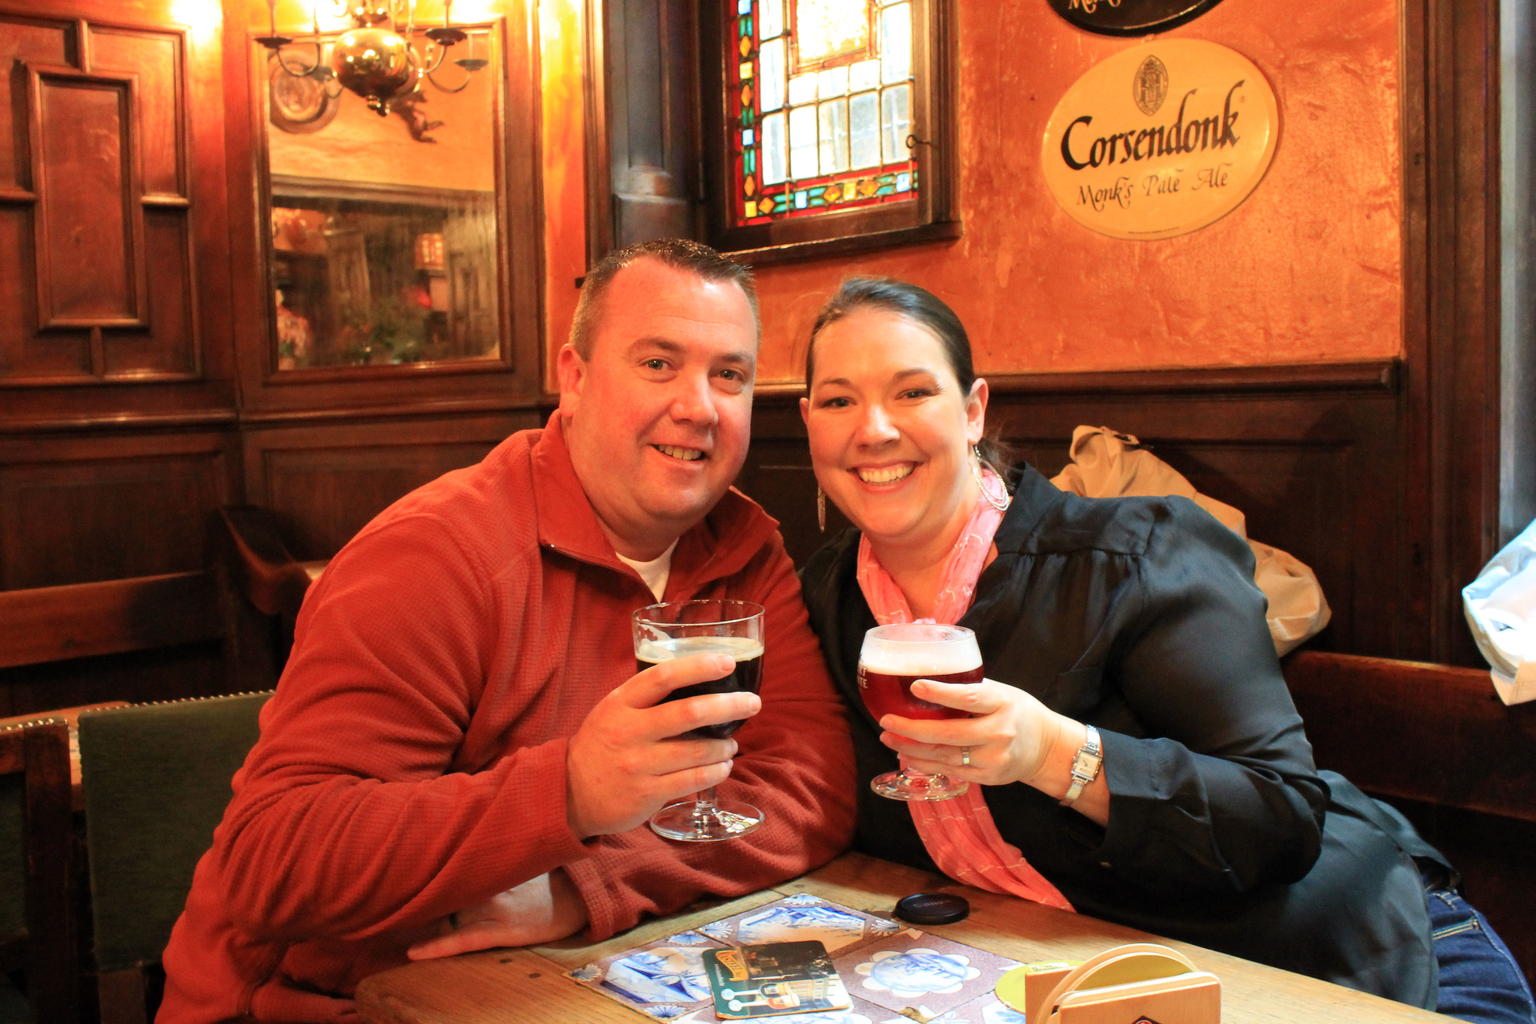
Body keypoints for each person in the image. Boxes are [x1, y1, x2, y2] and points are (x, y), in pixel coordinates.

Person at [796, 276, 1535, 1024]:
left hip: (1356, 963)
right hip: (1067, 976)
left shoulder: (1139, 555)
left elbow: (1280, 818)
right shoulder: (824, 595)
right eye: (838, 401)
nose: (875, 429)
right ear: (808, 423)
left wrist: (1054, 752)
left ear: (974, 409)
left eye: (913, 392)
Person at [156, 240, 856, 1023]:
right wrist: (568, 794)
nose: (699, 406)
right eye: (658, 364)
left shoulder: (744, 546)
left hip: (563, 982)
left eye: (729, 374)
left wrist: (580, 887)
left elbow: (812, 787)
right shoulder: (435, 555)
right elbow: (274, 861)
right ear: (576, 377)